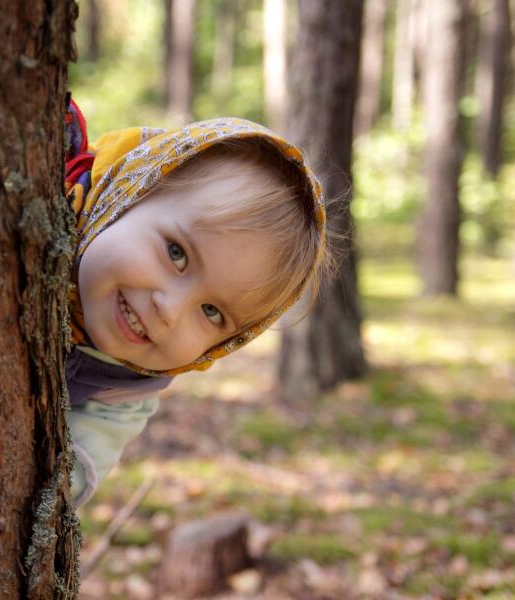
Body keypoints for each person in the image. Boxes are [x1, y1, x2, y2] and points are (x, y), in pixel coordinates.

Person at [63, 97, 329, 507]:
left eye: (212, 312)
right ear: (130, 192)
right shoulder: (46, 184)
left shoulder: (121, 390)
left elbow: (69, 479)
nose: (169, 311)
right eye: (176, 254)